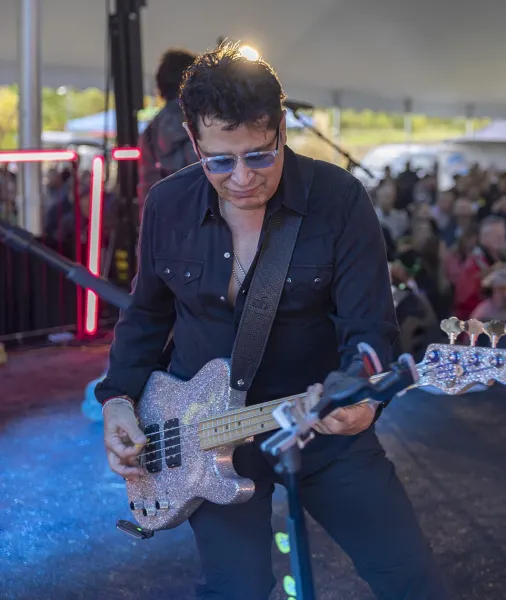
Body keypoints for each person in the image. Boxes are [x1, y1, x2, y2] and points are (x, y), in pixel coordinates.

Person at [96, 44, 449, 600]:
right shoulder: (167, 204)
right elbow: (145, 316)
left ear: (281, 128)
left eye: (260, 155)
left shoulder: (339, 200)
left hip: (318, 417)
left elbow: (371, 329)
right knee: (236, 589)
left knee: (409, 578)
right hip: (199, 433)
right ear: (193, 142)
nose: (241, 178)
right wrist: (117, 401)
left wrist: (362, 400)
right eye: (219, 161)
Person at [138, 48, 200, 212]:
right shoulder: (204, 123)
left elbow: (147, 187)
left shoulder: (151, 131)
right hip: (204, 219)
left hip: (165, 219)